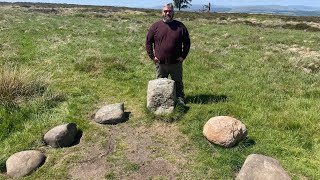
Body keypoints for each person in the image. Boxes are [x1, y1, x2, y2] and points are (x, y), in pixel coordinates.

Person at [145, 3, 191, 106]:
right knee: (160, 84)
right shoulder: (155, 26)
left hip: (176, 63)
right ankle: (160, 104)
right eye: (165, 11)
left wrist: (183, 56)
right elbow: (148, 42)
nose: (167, 13)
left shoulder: (180, 26)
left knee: (178, 83)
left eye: (169, 11)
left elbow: (187, 43)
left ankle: (180, 100)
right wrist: (152, 56)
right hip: (160, 63)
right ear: (162, 12)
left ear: (173, 12)